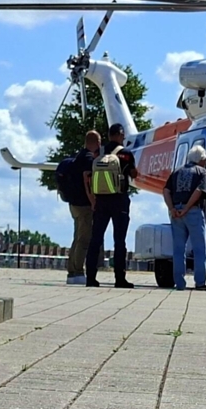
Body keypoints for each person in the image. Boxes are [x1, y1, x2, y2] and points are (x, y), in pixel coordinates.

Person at [85, 123, 138, 288]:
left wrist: (93, 200)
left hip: (101, 200)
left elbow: (89, 175)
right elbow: (134, 174)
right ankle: (119, 279)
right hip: (119, 200)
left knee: (96, 239)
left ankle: (91, 277)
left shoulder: (98, 153)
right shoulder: (126, 154)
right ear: (120, 134)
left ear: (109, 135)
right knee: (119, 240)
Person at [163, 144, 206, 290]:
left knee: (178, 249)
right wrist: (186, 208)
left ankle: (179, 283)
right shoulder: (202, 172)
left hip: (176, 213)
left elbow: (166, 191)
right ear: (202, 159)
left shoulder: (176, 172)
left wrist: (172, 208)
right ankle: (200, 282)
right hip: (192, 211)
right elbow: (199, 190)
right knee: (199, 249)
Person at [66, 130, 101, 285]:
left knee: (77, 237)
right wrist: (93, 201)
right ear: (96, 142)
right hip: (85, 204)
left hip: (73, 204)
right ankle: (78, 272)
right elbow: (88, 181)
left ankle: (72, 270)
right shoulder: (88, 159)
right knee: (84, 239)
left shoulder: (77, 158)